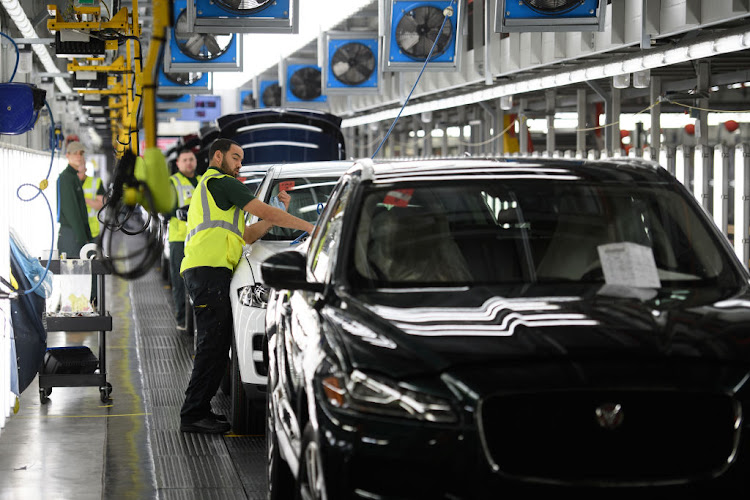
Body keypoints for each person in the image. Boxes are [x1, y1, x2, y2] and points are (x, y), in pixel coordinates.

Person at [179, 138, 313, 434]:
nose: (240, 164)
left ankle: (198, 410)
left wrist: (274, 211)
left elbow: (249, 235)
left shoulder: (216, 192)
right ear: (218, 156)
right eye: (236, 157)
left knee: (215, 346)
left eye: (241, 159)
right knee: (211, 347)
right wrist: (313, 228)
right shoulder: (221, 183)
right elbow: (267, 213)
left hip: (209, 271)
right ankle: (192, 414)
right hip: (208, 271)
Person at [168, 149, 201, 332]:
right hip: (179, 239)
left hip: (200, 239)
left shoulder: (203, 180)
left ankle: (197, 319)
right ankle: (182, 319)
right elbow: (165, 208)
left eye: (191, 159)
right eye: (185, 160)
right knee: (180, 281)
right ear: (178, 163)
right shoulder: (173, 182)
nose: (189, 163)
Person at [57, 141, 92, 259]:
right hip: (71, 234)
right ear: (67, 155)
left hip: (76, 233)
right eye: (75, 153)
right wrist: (83, 239)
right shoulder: (66, 178)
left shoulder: (73, 177)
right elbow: (72, 211)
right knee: (73, 274)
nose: (78, 156)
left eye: (81, 153)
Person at [76, 160, 105, 241]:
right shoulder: (70, 182)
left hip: (93, 231)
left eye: (80, 172)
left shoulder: (96, 182)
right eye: (76, 172)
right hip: (76, 230)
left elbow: (101, 204)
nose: (78, 175)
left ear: (85, 169)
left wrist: (83, 199)